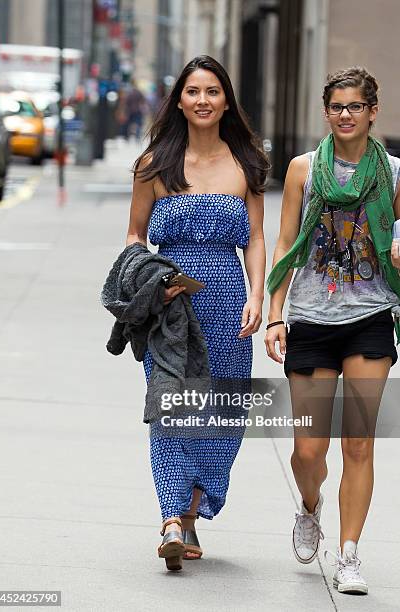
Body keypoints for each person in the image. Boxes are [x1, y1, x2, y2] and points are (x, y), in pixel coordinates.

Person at [125, 55, 269, 571]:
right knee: (170, 406)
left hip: (229, 300)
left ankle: (188, 517)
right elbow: (135, 235)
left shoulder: (246, 163)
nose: (203, 100)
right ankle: (169, 518)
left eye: (212, 91)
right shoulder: (154, 165)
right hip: (169, 303)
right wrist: (147, 281)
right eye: (193, 92)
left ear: (226, 99)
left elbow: (254, 238)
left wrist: (258, 297)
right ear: (179, 101)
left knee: (222, 413)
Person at [265, 67, 400, 595]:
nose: (345, 115)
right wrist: (277, 313)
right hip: (312, 319)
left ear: (372, 112)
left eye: (355, 106)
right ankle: (309, 506)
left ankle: (349, 554)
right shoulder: (302, 170)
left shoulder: (392, 173)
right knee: (308, 451)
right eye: (337, 107)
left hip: (369, 316)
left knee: (359, 443)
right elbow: (284, 245)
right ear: (327, 112)